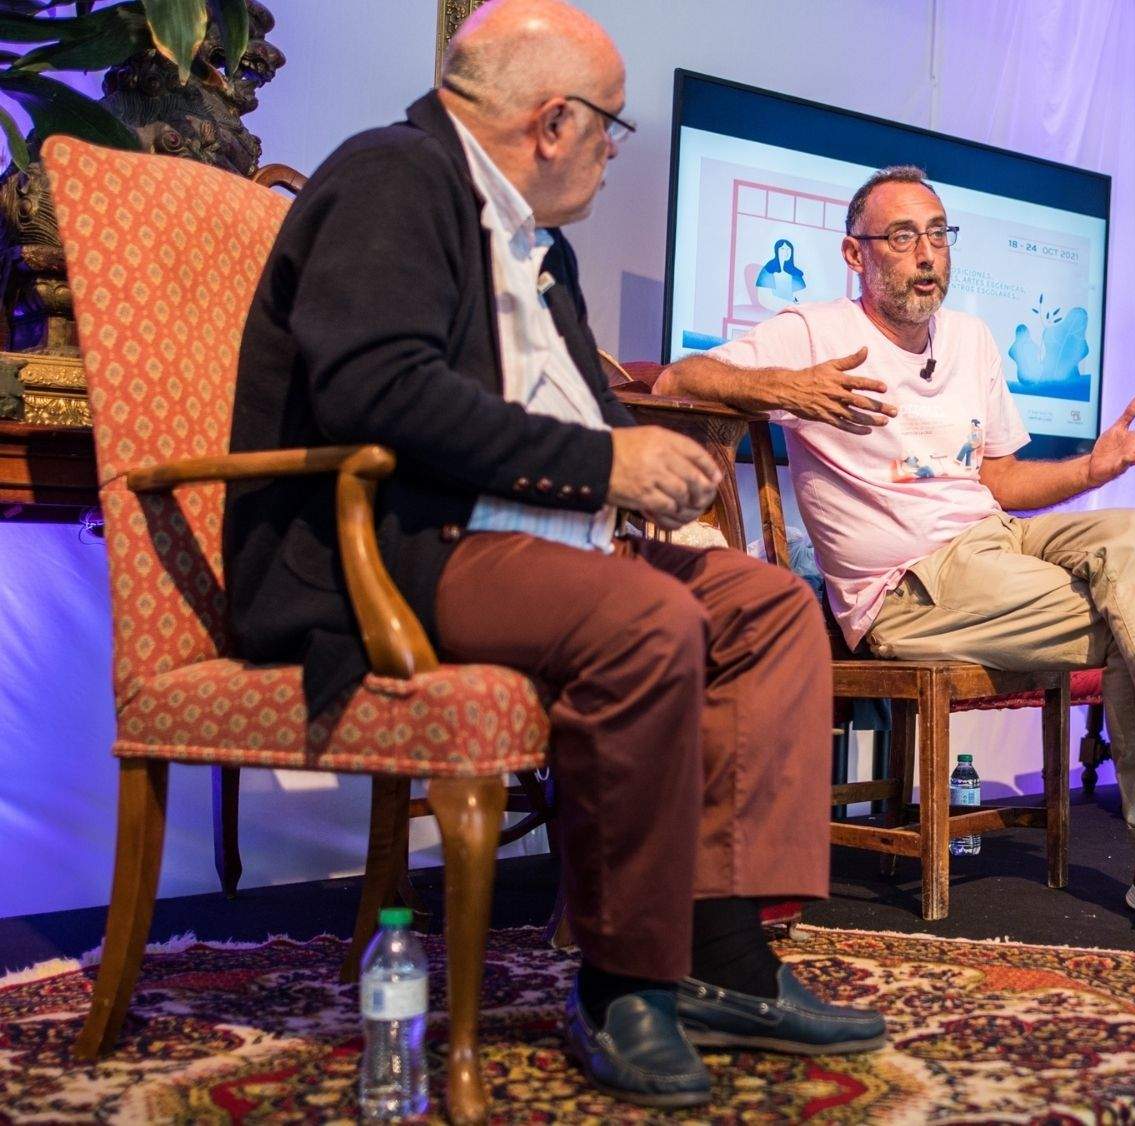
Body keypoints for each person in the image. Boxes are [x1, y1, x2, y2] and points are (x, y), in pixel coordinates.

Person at [223, 0, 882, 1109]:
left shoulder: (540, 249)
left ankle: (723, 960)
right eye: (613, 130)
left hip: (533, 538)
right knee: (645, 621)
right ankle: (622, 983)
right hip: (402, 543)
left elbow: (583, 417)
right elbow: (375, 390)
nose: (614, 156)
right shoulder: (392, 177)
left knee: (765, 605)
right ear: (553, 121)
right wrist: (604, 469)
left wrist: (645, 469)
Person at [659, 165, 1135, 929]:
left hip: (995, 540)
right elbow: (681, 375)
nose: (927, 253)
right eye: (903, 236)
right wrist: (790, 390)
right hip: (907, 588)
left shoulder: (971, 338)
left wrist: (1093, 468)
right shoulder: (813, 331)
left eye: (938, 233)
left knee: (1133, 535)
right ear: (855, 253)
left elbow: (1000, 477)